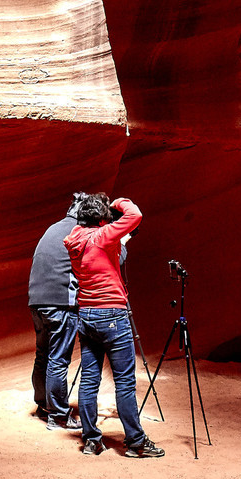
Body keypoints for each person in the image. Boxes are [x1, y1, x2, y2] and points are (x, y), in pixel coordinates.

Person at [63, 193, 164, 458]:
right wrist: (118, 201)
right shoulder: (101, 237)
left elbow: (103, 247)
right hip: (112, 316)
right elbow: (135, 215)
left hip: (86, 315)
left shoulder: (75, 239)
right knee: (125, 383)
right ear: (101, 220)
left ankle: (91, 440)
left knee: (89, 381)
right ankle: (136, 442)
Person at [27, 199, 81, 429]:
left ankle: (43, 405)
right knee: (58, 358)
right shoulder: (79, 231)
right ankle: (58, 416)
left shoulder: (54, 227)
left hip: (36, 301)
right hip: (59, 303)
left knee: (44, 355)